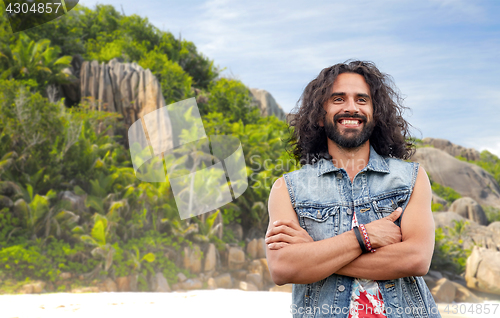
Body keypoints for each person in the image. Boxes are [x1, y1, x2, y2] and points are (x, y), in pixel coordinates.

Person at [265, 60, 440, 318]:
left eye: (361, 100)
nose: (351, 107)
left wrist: (315, 253)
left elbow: (416, 259)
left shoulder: (411, 178)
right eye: (338, 99)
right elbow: (283, 268)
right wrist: (364, 236)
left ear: (375, 113)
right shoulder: (287, 189)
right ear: (320, 116)